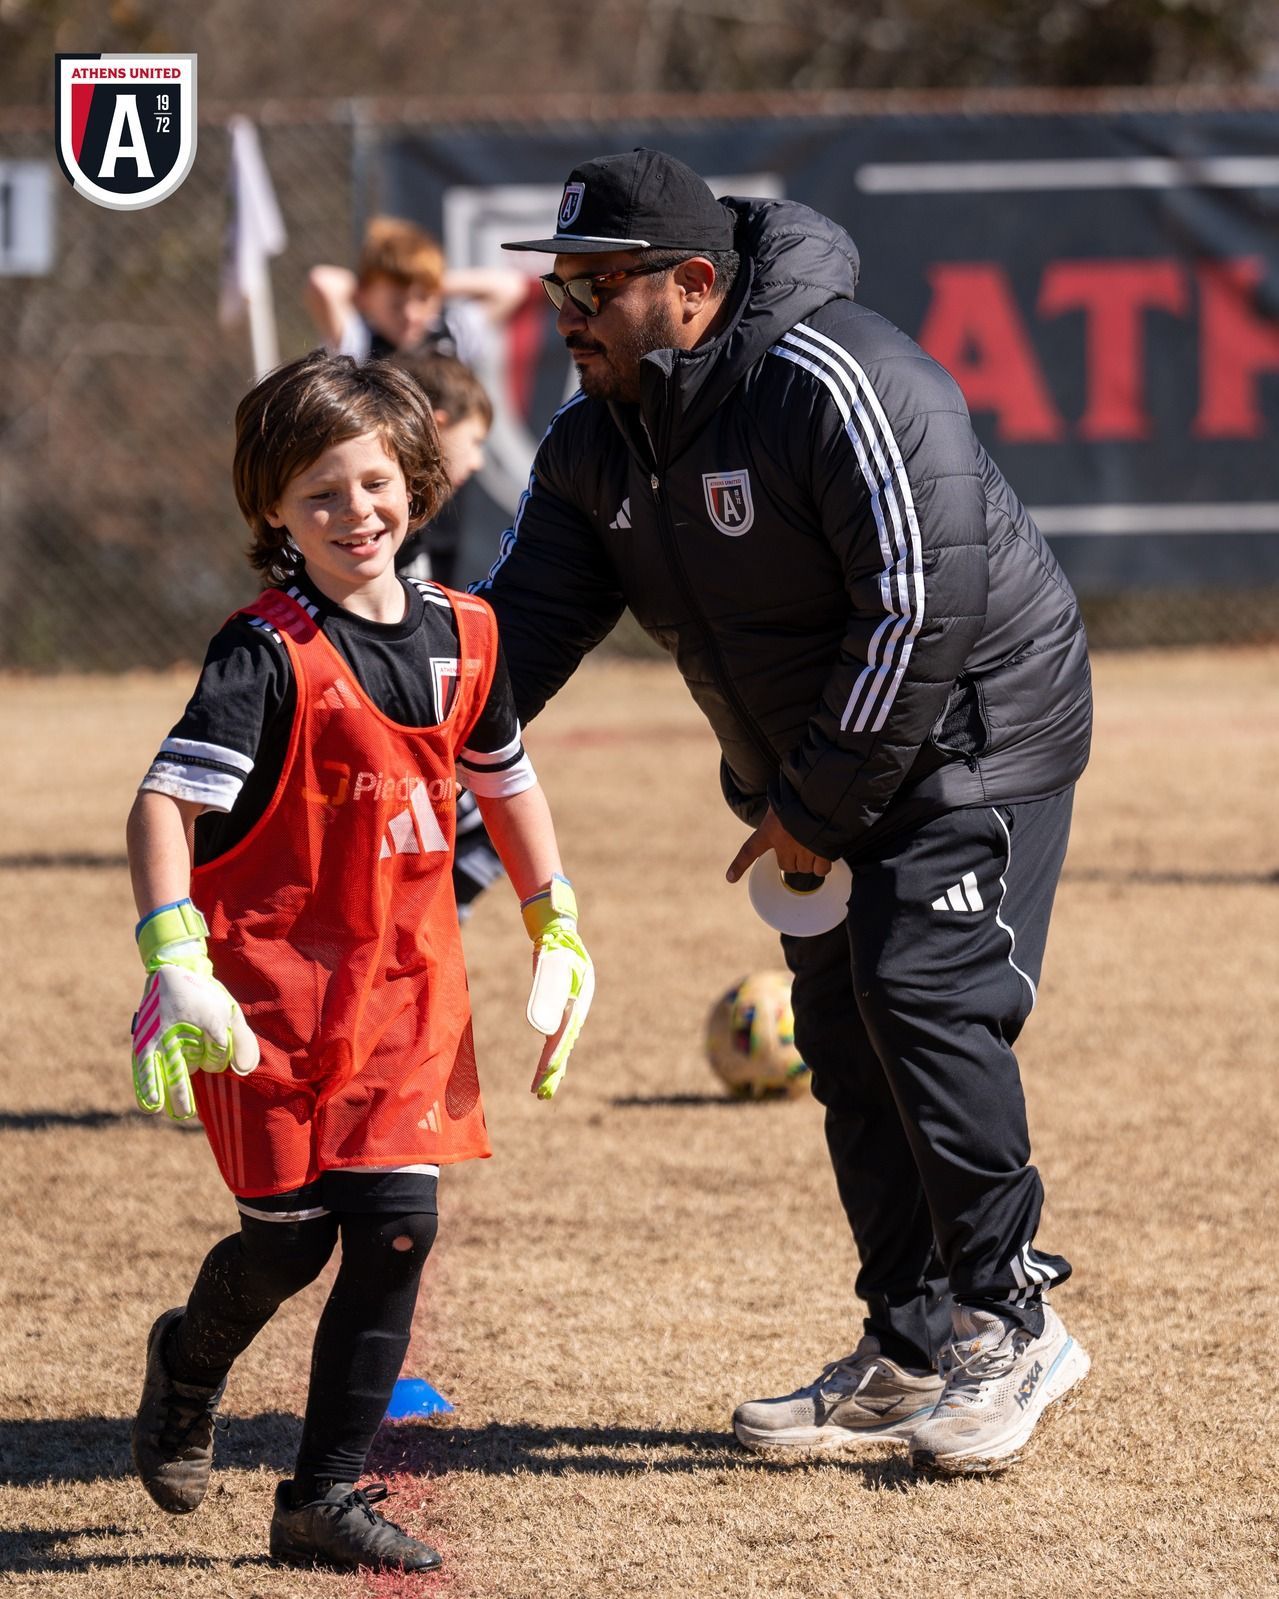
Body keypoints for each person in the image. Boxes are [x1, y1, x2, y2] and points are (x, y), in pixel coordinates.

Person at [481, 148, 1093, 1476]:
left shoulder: (840, 378)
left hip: (971, 730)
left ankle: (1012, 1321)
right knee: (839, 1027)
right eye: (555, 288)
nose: (565, 311)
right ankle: (910, 1343)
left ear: (690, 286)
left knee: (918, 992)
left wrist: (808, 803)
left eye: (593, 283)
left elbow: (920, 603)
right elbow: (511, 635)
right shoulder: (596, 440)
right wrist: (384, 739)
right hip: (816, 764)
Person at [124, 350, 593, 1571]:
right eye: (319, 493)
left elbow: (508, 778)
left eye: (374, 482)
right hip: (263, 1002)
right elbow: (165, 806)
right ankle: (188, 1362)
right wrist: (176, 956)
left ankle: (318, 1499)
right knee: (287, 1239)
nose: (355, 513)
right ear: (273, 512)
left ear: (418, 482)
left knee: (393, 1229)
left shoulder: (465, 636)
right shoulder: (263, 653)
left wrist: (557, 919)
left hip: (403, 997)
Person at [390, 349, 504, 916]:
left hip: (414, 722)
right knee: (494, 824)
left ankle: (417, 930)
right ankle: (420, 929)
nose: (479, 462)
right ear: (436, 425)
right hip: (390, 726)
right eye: (475, 440)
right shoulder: (390, 527)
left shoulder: (419, 525)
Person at [304, 214, 526, 367]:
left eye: (422, 299)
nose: (410, 314)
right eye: (396, 303)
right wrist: (368, 289)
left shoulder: (451, 335)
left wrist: (432, 281)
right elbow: (322, 282)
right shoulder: (357, 344)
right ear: (365, 298)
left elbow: (510, 287)